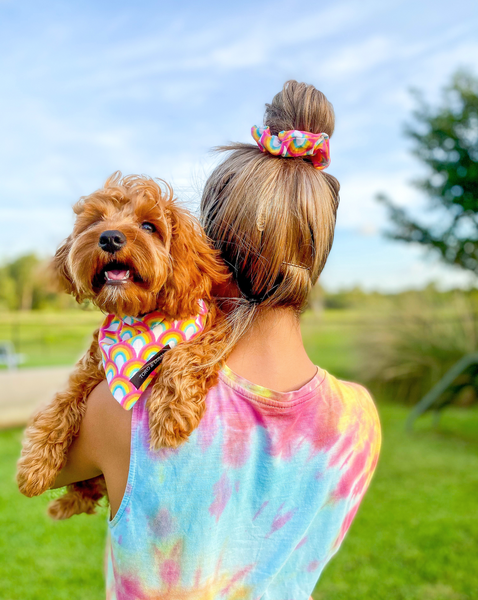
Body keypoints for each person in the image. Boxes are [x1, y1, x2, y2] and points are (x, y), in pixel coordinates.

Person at [54, 80, 381, 599]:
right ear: (314, 258)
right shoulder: (359, 421)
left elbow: (45, 467)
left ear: (204, 254)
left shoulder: (131, 408)